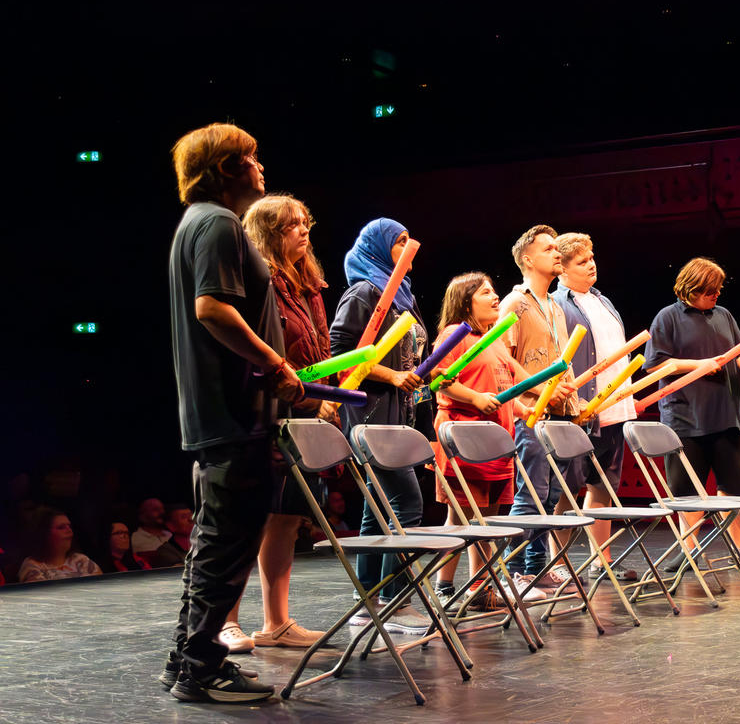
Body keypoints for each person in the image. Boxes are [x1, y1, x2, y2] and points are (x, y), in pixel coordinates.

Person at [163, 122, 302, 703]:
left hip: (225, 417)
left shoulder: (198, 223)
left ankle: (189, 660)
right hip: (234, 414)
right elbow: (212, 309)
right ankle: (199, 669)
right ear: (225, 168)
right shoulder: (218, 222)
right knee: (226, 544)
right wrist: (275, 364)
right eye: (250, 156)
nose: (260, 166)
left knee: (217, 543)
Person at [214, 194, 333, 653]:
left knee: (286, 518)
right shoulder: (257, 280)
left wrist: (324, 397)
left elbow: (317, 352)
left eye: (306, 222)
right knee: (251, 518)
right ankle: (226, 620)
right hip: (265, 410)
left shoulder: (309, 284)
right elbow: (250, 348)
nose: (303, 231)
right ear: (267, 232)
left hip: (305, 411)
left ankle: (276, 622)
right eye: (291, 225)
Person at [329, 218, 433, 633]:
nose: (408, 247)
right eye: (399, 241)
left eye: (410, 239)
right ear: (378, 247)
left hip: (399, 415)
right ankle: (395, 598)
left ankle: (367, 598)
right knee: (407, 505)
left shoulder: (401, 296)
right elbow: (340, 351)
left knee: (379, 507)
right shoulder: (365, 292)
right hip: (371, 413)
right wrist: (391, 377)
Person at [643, 257, 740, 569]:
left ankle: (739, 546)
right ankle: (689, 549)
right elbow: (655, 364)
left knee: (734, 486)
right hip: (685, 416)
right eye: (709, 290)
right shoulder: (668, 318)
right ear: (691, 288)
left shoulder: (723, 315)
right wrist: (701, 365)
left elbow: (735, 357)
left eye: (718, 290)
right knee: (688, 488)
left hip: (726, 413)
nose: (716, 295)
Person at [428, 272, 546, 610]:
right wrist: (476, 399)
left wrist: (530, 402)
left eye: (493, 290)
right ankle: (446, 585)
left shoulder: (493, 338)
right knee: (463, 514)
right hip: (465, 436)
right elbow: (438, 380)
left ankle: (480, 587)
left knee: (489, 518)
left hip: (497, 441)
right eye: (485, 292)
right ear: (465, 301)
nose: (494, 296)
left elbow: (514, 379)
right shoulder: (454, 335)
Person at [550, 232, 640, 580]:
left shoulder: (603, 300)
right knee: (566, 489)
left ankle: (600, 563)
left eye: (592, 257)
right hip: (581, 410)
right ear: (562, 269)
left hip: (614, 411)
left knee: (603, 486)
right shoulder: (558, 303)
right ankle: (557, 565)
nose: (591, 265)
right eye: (582, 261)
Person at [499, 225, 582, 590]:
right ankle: (514, 569)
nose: (556, 253)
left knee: (547, 497)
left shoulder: (555, 306)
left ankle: (537, 566)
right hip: (530, 414)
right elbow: (502, 360)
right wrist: (521, 406)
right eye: (548, 248)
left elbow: (561, 361)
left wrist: (572, 399)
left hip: (558, 415)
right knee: (529, 495)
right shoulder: (515, 303)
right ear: (528, 259)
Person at [17, 507, 101, 582]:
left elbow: (99, 587)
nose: (69, 530)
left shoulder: (81, 560)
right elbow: (41, 595)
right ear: (44, 534)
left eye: (69, 526)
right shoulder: (32, 564)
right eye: (61, 527)